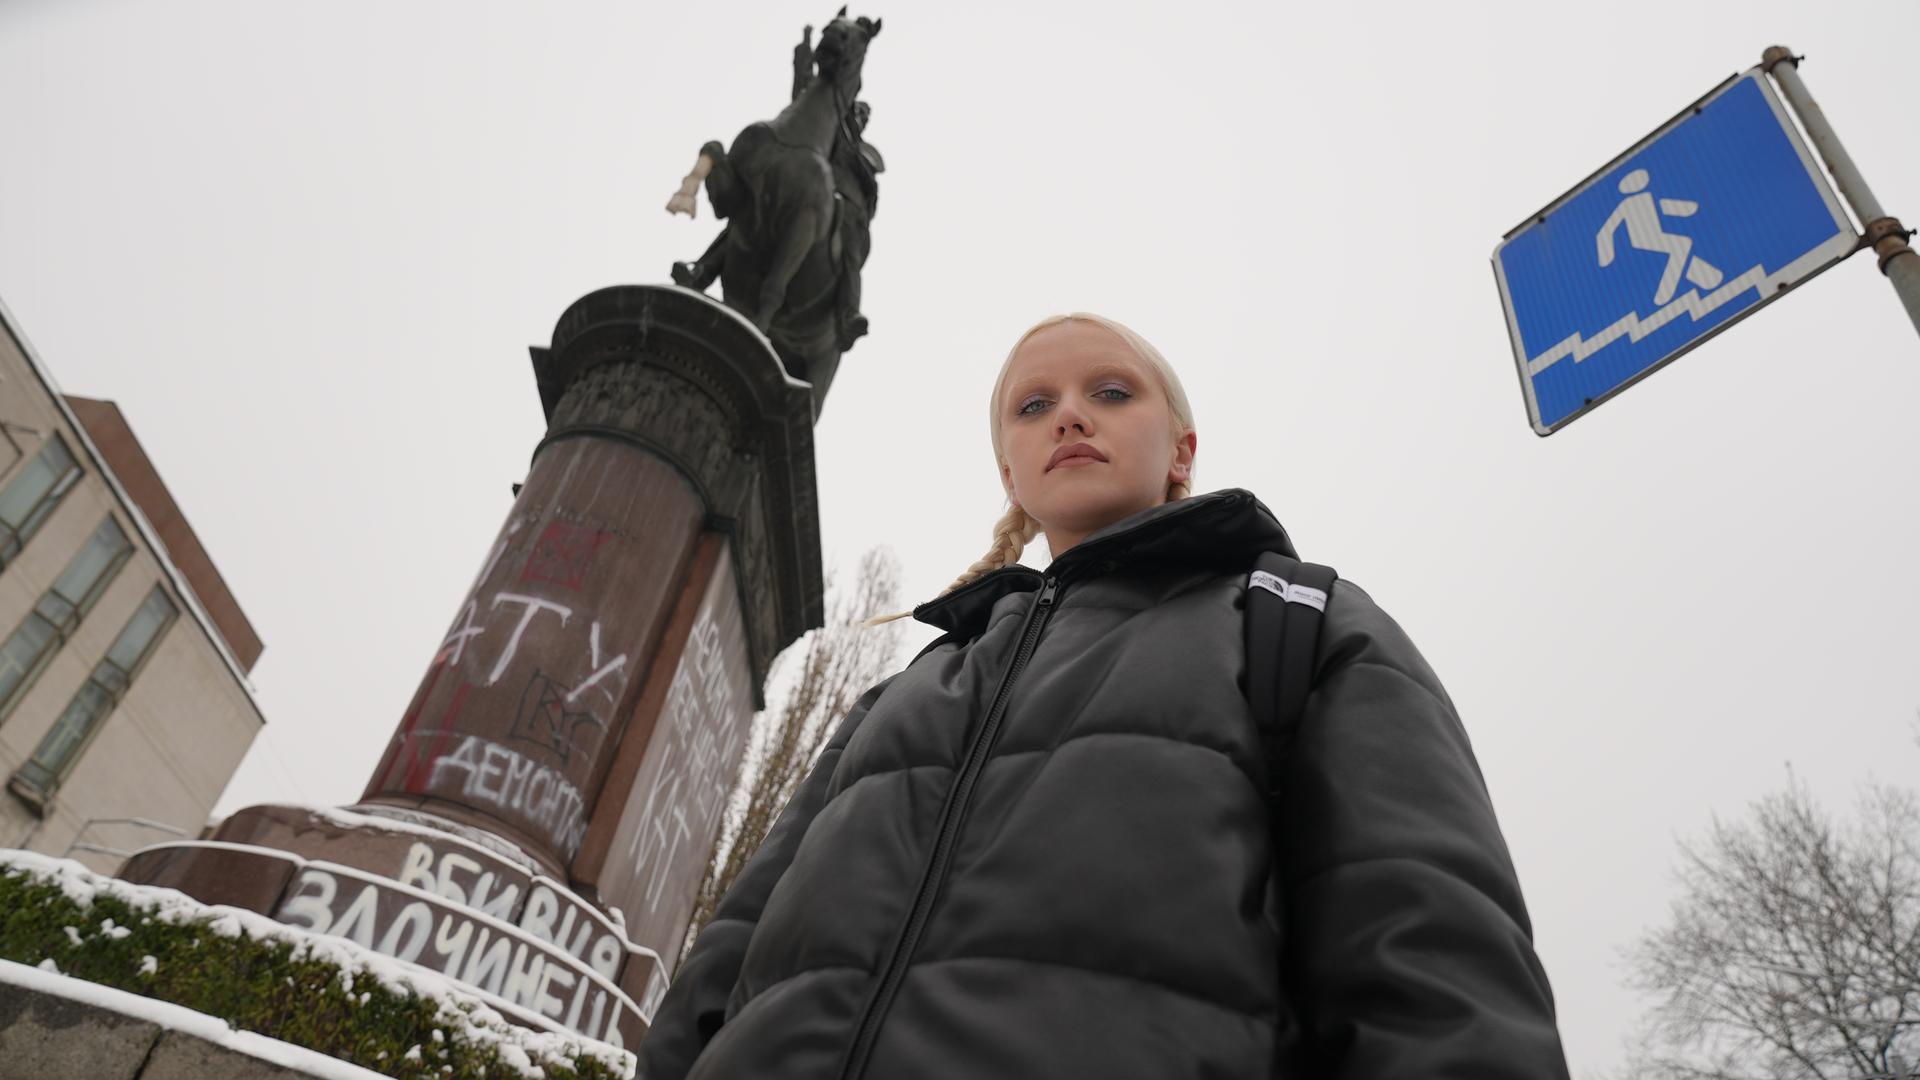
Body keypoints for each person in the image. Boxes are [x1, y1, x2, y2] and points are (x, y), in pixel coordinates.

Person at [638, 313, 1571, 1079]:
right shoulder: (901, 692)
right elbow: (721, 974)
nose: (1070, 416)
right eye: (1034, 405)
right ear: (1010, 471)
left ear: (1182, 450)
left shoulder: (1301, 624)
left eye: (1111, 393)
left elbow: (1439, 975)